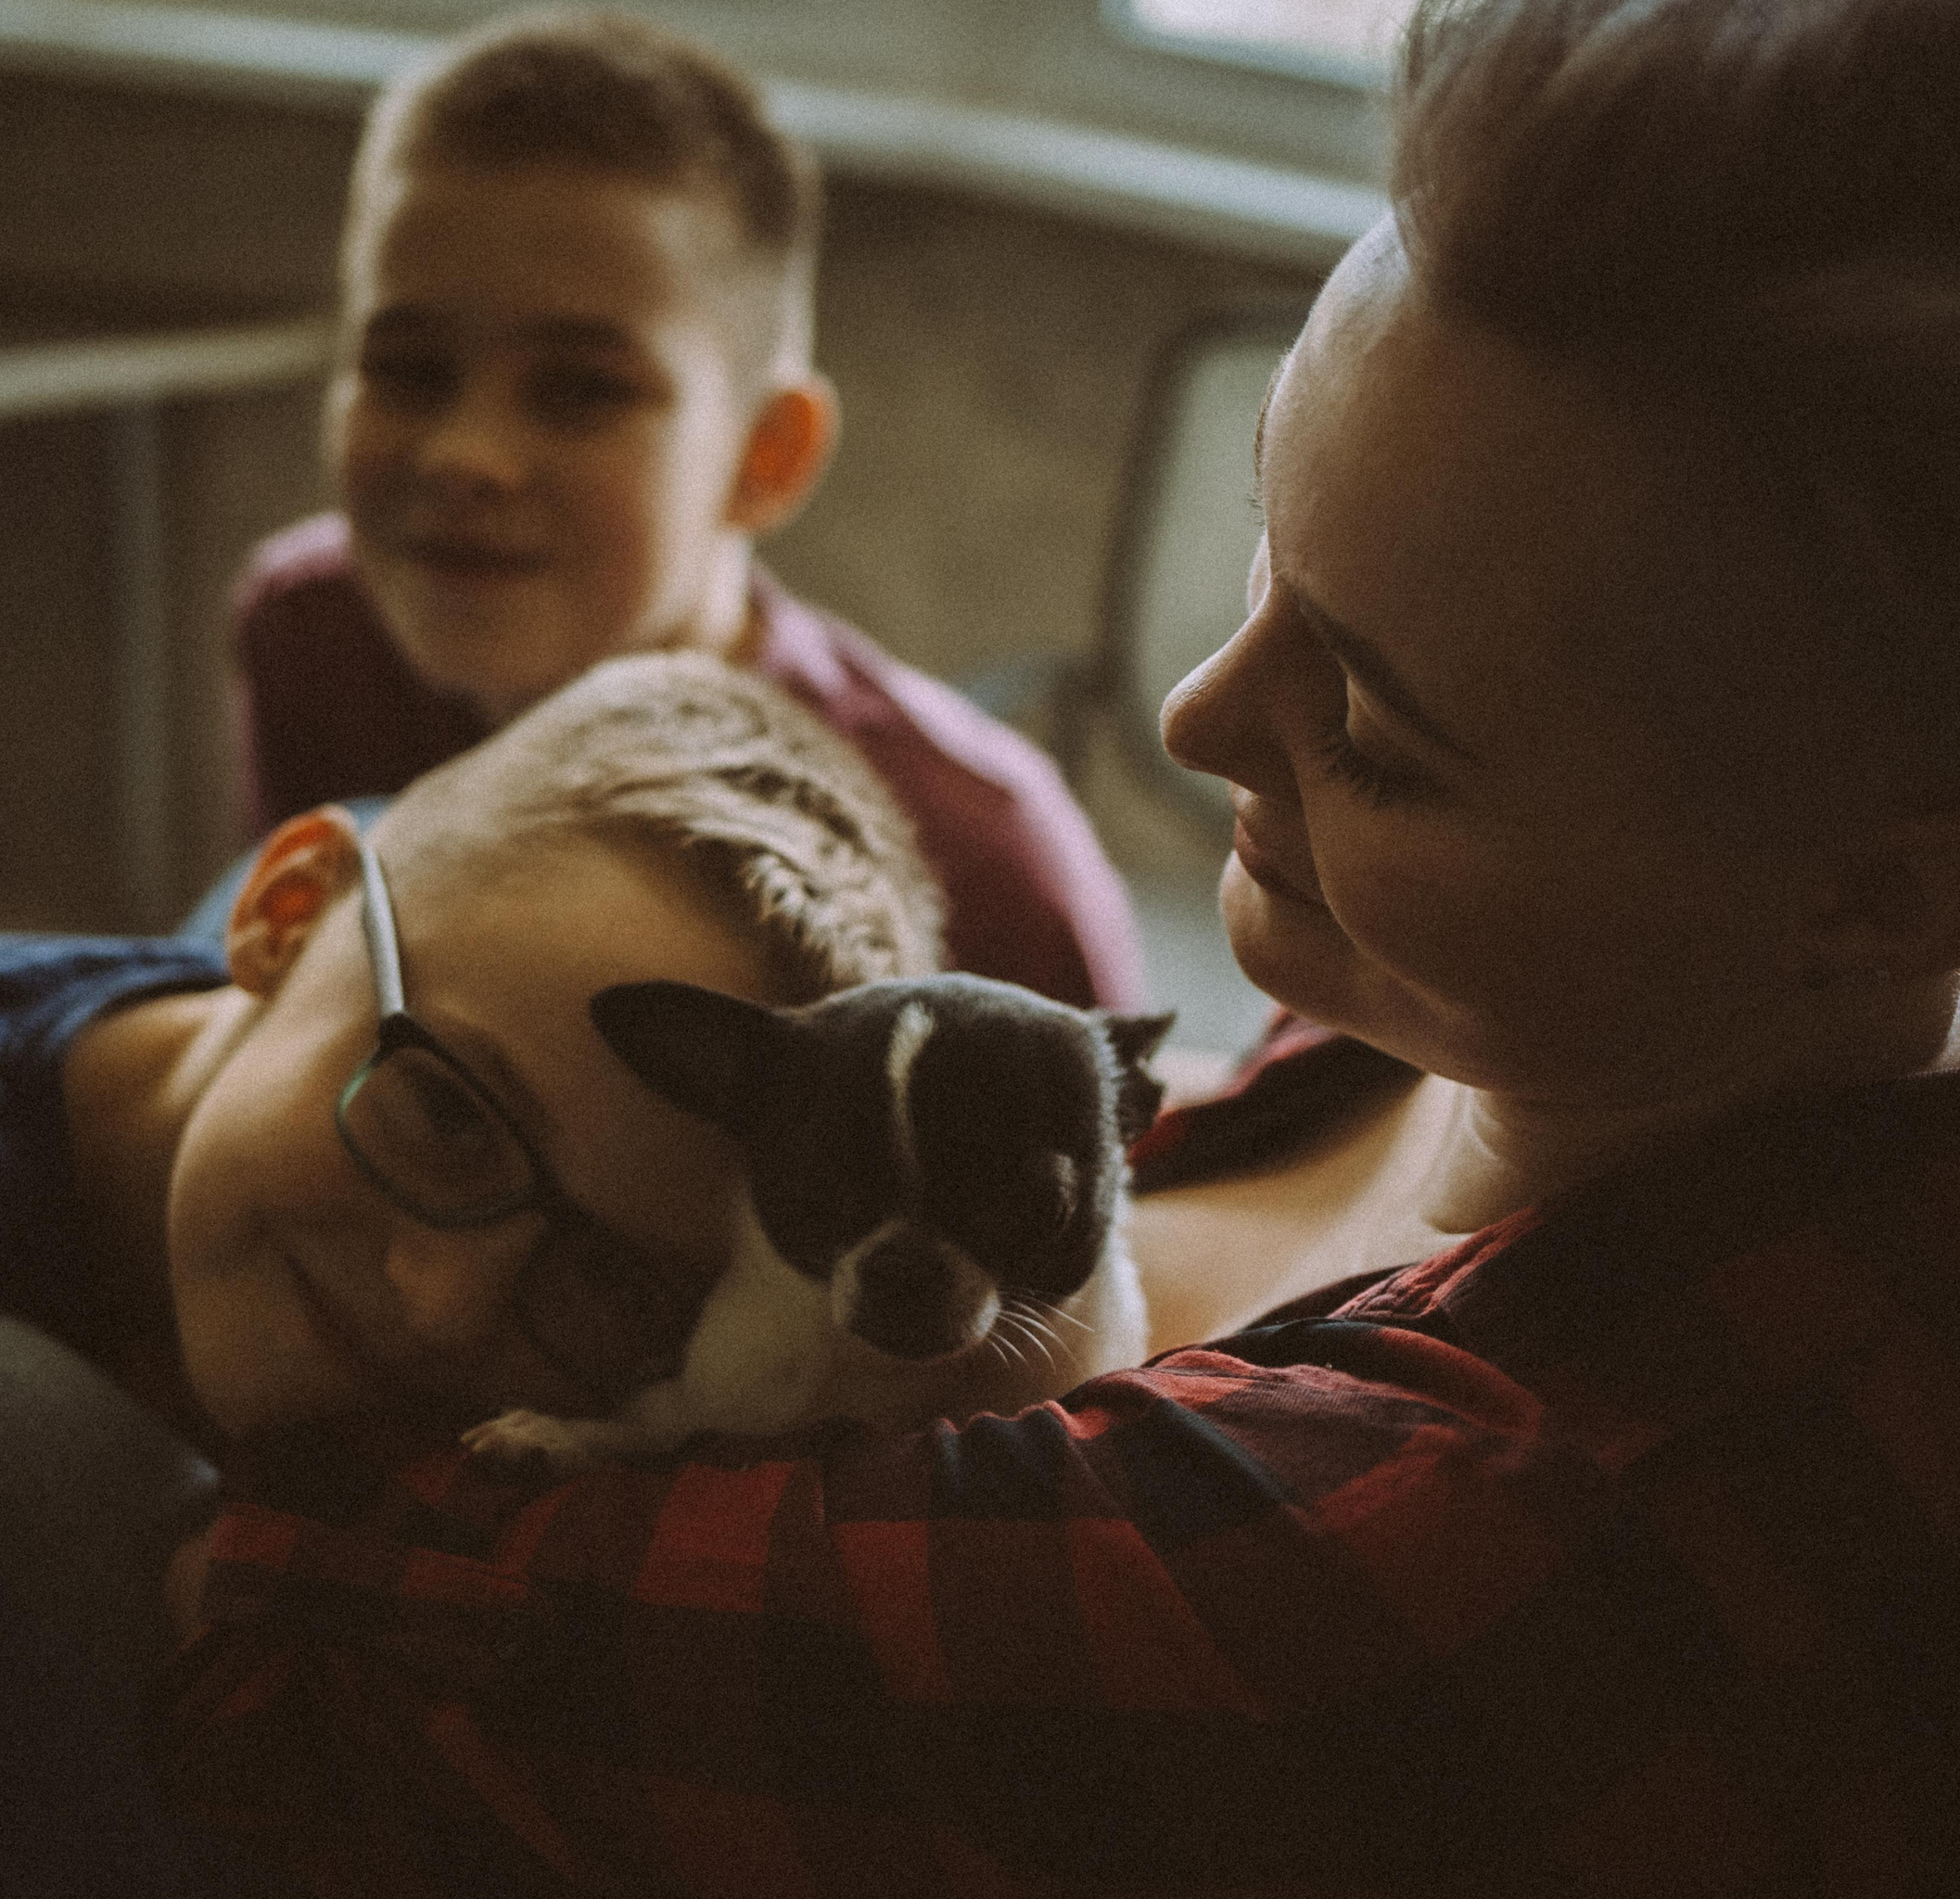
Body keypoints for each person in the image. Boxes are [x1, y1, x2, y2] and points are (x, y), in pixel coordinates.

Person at [155, 0, 1960, 1892]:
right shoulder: (1492, 1021)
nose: (1189, 716)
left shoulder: (1432, 1557)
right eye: (1267, 552)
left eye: (1370, 729)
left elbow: (288, 1596)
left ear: (1876, 898)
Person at [0, 652, 945, 1895]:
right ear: (284, 916)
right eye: (451, 1115)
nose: (442, 1300)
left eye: (611, 1281)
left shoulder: (410, 985)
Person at [228, 6, 1146, 1011]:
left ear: (766, 455)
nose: (464, 455)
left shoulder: (981, 863)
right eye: (407, 369)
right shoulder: (316, 633)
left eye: (581, 390)